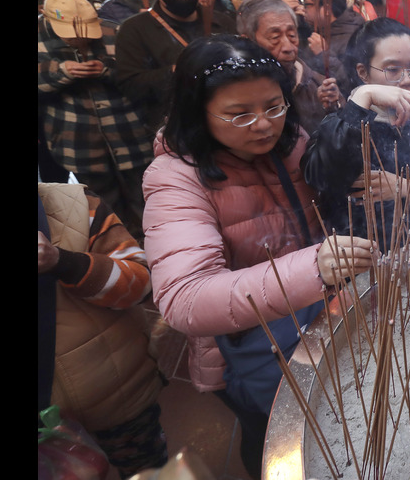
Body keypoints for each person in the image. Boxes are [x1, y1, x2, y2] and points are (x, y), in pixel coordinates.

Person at [143, 35, 376, 479]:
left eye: (274, 106)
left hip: (319, 323)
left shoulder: (291, 143)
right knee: (276, 440)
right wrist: (314, 267)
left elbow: (329, 199)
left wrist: (371, 189)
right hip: (252, 348)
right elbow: (184, 298)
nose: (263, 126)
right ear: (197, 112)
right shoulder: (174, 177)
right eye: (238, 115)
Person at [38, 183, 166, 478]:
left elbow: (140, 284)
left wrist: (63, 262)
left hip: (117, 401)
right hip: (47, 430)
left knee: (147, 470)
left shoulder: (77, 205)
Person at [302, 18, 410, 250]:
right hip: (369, 263)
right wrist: (362, 99)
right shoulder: (342, 125)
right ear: (363, 73)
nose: (407, 81)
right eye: (393, 70)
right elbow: (321, 177)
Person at [39, 0, 153, 238]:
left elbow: (142, 76)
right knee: (104, 208)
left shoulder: (117, 32)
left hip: (130, 134)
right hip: (77, 141)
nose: (79, 38)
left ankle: (157, 251)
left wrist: (106, 69)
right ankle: (124, 259)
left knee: (147, 199)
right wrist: (61, 71)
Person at [115, 0, 236, 132]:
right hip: (176, 127)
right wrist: (176, 70)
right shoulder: (134, 29)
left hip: (230, 119)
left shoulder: (220, 21)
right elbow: (131, 86)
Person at [237, 0, 343, 134]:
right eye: (275, 38)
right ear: (247, 42)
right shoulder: (235, 91)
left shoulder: (317, 84)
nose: (289, 47)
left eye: (292, 36)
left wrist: (333, 108)